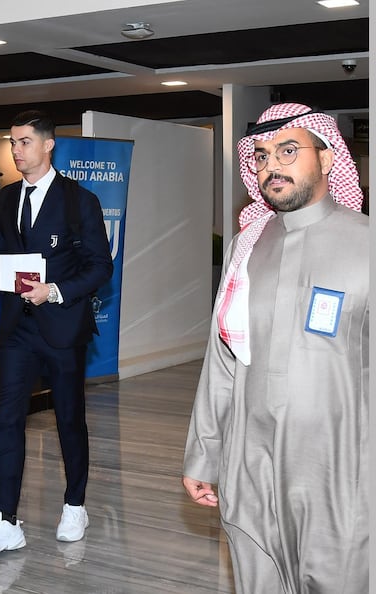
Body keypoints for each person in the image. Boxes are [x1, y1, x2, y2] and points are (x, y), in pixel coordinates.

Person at [182, 103, 368, 593]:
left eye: (288, 151)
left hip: (341, 469)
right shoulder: (246, 245)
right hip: (252, 463)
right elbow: (222, 360)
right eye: (261, 157)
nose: (271, 167)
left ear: (328, 159)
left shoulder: (367, 245)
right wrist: (205, 453)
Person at [0, 110, 113, 554]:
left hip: (62, 329)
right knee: (7, 422)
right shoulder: (5, 200)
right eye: (12, 142)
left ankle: (75, 503)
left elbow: (101, 266)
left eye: (23, 142)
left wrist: (56, 290)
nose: (16, 151)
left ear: (47, 145)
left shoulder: (80, 201)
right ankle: (3, 518)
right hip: (17, 328)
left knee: (68, 421)